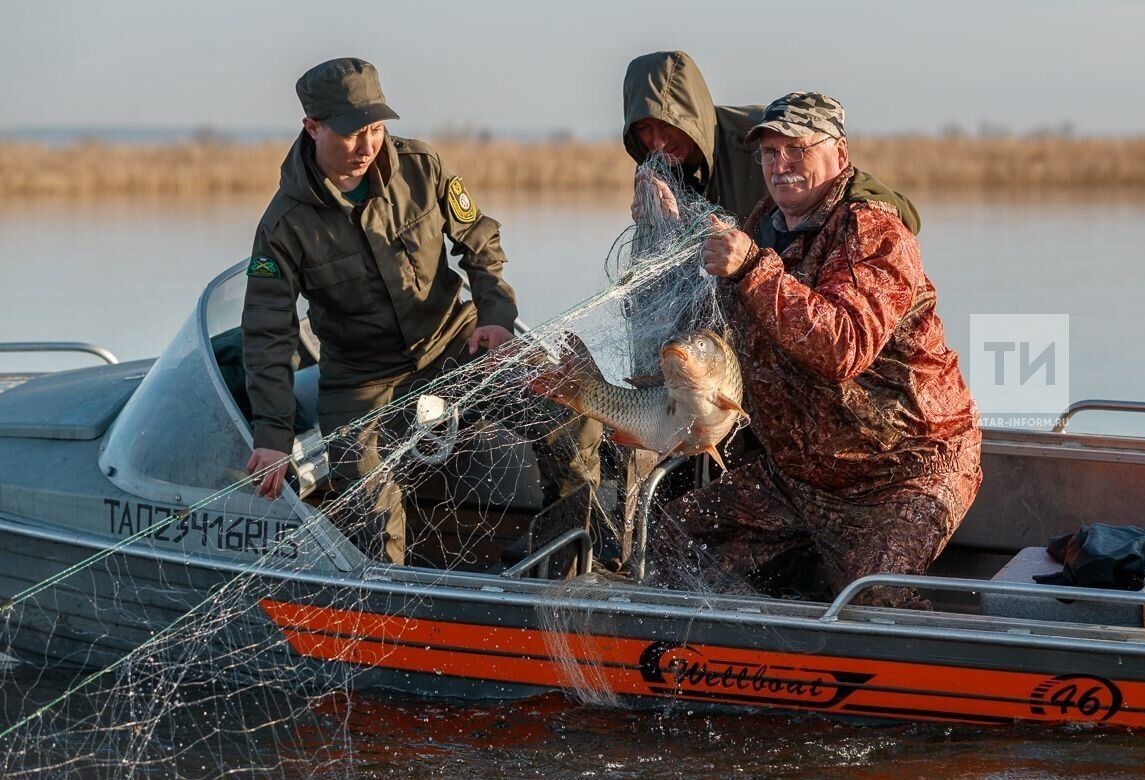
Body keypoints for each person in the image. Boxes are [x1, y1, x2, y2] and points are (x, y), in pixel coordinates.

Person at [242, 58, 600, 563]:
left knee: (571, 411)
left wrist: (496, 315)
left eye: (374, 128)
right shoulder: (283, 225)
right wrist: (274, 436)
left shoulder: (423, 166)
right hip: (361, 378)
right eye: (349, 134)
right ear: (312, 128)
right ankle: (395, 598)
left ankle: (567, 552)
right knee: (363, 496)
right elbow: (266, 334)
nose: (366, 146)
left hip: (455, 341)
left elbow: (481, 243)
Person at [666, 92, 982, 609]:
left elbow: (843, 346)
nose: (780, 164)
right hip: (799, 477)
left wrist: (752, 270)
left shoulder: (874, 231)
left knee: (873, 597)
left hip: (905, 470)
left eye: (797, 149)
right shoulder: (758, 226)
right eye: (769, 153)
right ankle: (745, 662)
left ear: (839, 152)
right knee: (676, 537)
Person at [622, 50, 919, 231]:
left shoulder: (761, 133)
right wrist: (653, 225)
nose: (658, 142)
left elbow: (904, 214)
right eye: (645, 129)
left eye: (667, 126)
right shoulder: (655, 168)